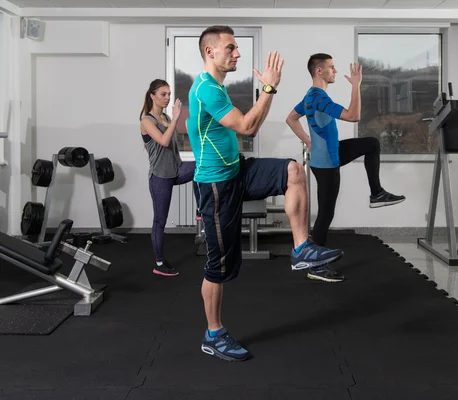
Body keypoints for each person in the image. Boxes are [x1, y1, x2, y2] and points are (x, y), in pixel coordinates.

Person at [187, 26, 344, 362]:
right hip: (216, 185)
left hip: (236, 170)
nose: (237, 54)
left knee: (292, 171)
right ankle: (213, 335)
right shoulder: (205, 89)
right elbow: (248, 126)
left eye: (237, 48)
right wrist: (269, 88)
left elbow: (246, 127)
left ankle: (302, 248)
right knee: (219, 265)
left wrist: (267, 91)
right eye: (230, 48)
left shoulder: (217, 86)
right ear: (209, 52)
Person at [286, 53, 405, 283]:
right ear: (319, 71)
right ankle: (316, 266)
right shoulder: (319, 98)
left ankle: (377, 192)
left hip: (329, 156)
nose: (335, 71)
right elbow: (354, 115)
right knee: (325, 214)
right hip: (327, 163)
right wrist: (356, 86)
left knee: (371, 144)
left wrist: (307, 140)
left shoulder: (309, 96)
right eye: (331, 67)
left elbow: (291, 118)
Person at [139, 79, 201, 277]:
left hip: (177, 170)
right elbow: (164, 142)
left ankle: (201, 209)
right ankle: (159, 262)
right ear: (152, 96)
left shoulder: (166, 117)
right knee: (160, 221)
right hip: (160, 177)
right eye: (163, 94)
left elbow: (176, 142)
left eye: (168, 94)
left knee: (202, 164)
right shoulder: (147, 121)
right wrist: (175, 119)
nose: (167, 98)